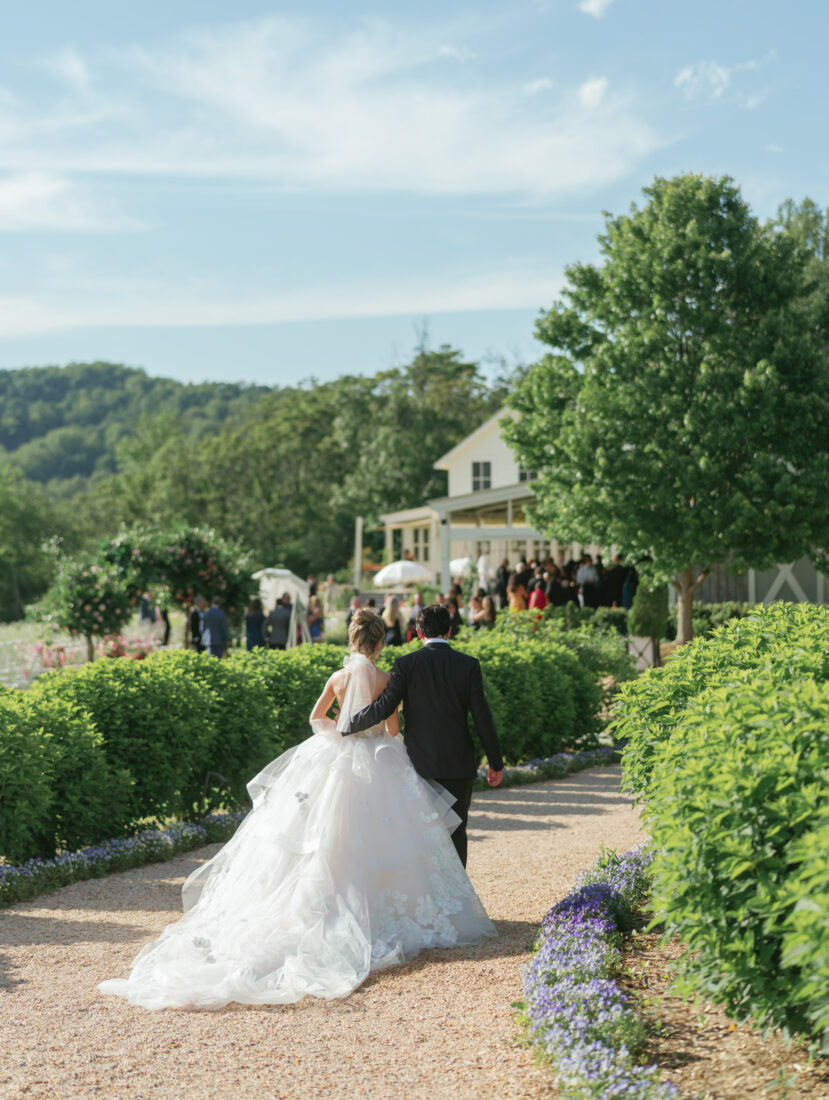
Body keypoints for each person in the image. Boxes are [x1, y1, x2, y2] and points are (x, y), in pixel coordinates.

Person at [98, 609, 496, 1011]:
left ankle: (322, 909)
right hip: (380, 761)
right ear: (380, 644)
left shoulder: (341, 677)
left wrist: (341, 731)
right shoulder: (386, 678)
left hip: (336, 755)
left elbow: (315, 717)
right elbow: (393, 728)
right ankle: (406, 909)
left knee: (324, 838)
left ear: (353, 640)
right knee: (394, 837)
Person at [345, 603, 504, 867]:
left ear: (418, 632)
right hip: (458, 763)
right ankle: (458, 898)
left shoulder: (406, 664)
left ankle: (432, 901)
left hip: (418, 763)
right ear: (450, 631)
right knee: (456, 833)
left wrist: (348, 724)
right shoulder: (469, 665)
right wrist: (496, 762)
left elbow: (383, 707)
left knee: (421, 834)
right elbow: (482, 717)